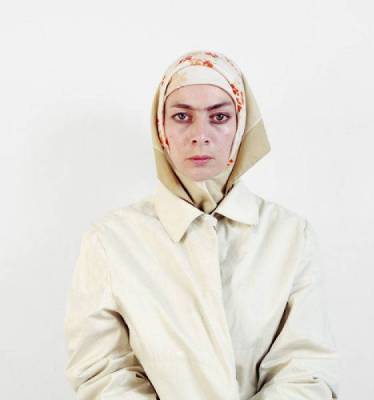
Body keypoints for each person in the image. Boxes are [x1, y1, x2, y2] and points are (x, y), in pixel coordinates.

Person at [64, 50, 339, 400]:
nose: (200, 135)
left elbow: (306, 365)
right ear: (161, 127)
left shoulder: (289, 235)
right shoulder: (111, 240)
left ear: (241, 126)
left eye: (219, 116)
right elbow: (102, 370)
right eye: (182, 116)